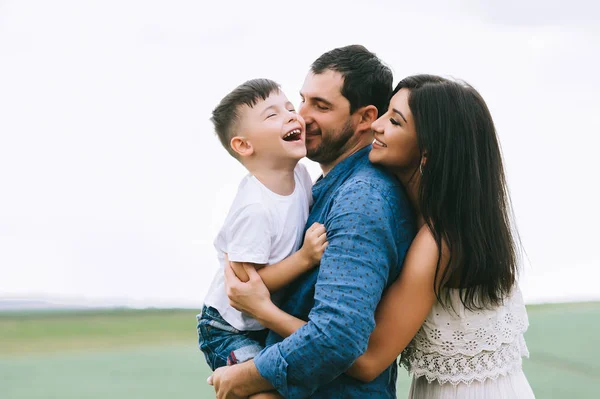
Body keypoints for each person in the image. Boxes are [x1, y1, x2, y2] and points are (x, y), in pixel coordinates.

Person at [225, 75, 535, 398]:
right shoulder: (421, 217)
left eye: (395, 121)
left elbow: (367, 359)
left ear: (427, 152)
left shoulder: (438, 241)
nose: (377, 125)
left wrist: (264, 311)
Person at [209, 45, 415, 398]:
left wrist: (249, 376)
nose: (301, 117)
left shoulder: (360, 199)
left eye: (321, 106)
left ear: (365, 118)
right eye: (300, 101)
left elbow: (337, 336)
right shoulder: (316, 186)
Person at [197, 78, 329, 399]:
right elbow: (245, 287)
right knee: (264, 390)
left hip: (263, 322)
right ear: (243, 145)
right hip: (230, 329)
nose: (291, 116)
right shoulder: (255, 208)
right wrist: (305, 259)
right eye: (272, 115)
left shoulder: (300, 175)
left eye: (288, 107)